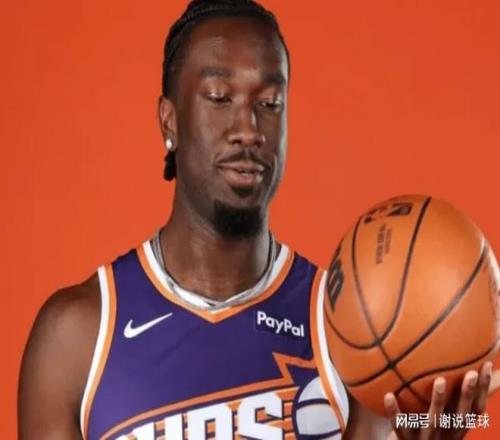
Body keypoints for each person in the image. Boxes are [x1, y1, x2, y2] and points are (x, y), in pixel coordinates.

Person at [18, 1, 497, 439]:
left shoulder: (351, 331)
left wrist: (446, 421)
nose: (248, 130)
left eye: (269, 103)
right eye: (219, 97)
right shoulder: (77, 336)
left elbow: (448, 419)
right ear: (169, 120)